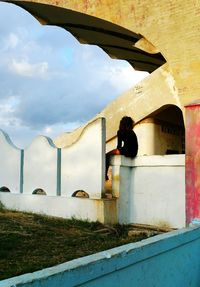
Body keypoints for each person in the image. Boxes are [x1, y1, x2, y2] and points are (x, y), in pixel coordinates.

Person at [106, 116, 138, 180]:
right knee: (108, 155)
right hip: (133, 152)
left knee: (106, 155)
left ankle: (105, 175)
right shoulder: (131, 132)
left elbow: (119, 145)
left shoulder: (120, 132)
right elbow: (134, 145)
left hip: (126, 150)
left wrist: (118, 151)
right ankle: (105, 175)